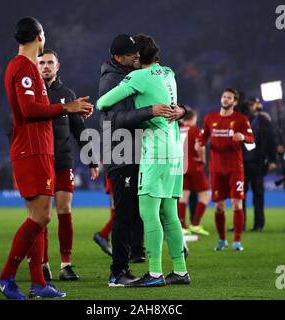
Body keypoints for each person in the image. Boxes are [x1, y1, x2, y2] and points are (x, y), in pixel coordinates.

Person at [0, 16, 93, 299]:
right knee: (41, 217)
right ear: (40, 35)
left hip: (39, 149)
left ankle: (38, 282)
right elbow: (28, 110)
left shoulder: (27, 68)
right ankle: (5, 276)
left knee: (39, 218)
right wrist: (66, 107)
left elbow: (35, 107)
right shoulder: (23, 67)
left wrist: (69, 109)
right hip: (31, 150)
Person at [97, 33, 190, 287]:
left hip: (152, 151)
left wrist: (153, 110)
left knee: (147, 214)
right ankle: (180, 271)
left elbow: (102, 103)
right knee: (168, 213)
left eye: (136, 53)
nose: (134, 56)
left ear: (140, 55)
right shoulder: (169, 72)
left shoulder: (135, 76)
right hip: (172, 151)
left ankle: (155, 273)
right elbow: (114, 118)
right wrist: (179, 110)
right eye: (130, 54)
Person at [37, 49, 99, 281]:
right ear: (36, 66)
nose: (45, 66)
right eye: (41, 62)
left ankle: (66, 264)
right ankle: (43, 264)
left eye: (50, 62)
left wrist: (91, 158)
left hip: (63, 161)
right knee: (42, 216)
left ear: (57, 66)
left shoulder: (66, 93)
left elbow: (78, 129)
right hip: (39, 161)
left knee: (64, 210)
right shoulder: (31, 93)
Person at [197, 88, 254, 251]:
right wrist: (198, 143)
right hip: (216, 169)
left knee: (237, 204)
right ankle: (222, 240)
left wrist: (243, 137)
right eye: (224, 96)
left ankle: (237, 241)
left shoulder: (241, 119)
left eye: (229, 98)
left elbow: (251, 140)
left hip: (235, 168)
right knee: (219, 206)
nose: (226, 99)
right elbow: (202, 138)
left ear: (234, 102)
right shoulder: (210, 118)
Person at [241, 98, 277, 231]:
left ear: (257, 105)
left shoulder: (263, 121)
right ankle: (241, 223)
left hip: (257, 163)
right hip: (242, 163)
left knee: (258, 195)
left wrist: (272, 160)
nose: (250, 106)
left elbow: (271, 140)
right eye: (248, 104)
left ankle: (259, 224)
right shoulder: (242, 119)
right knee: (240, 195)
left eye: (252, 104)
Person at [178, 108, 211, 236]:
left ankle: (181, 226)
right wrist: (202, 159)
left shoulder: (177, 130)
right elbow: (199, 147)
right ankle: (195, 224)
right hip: (194, 166)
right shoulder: (196, 131)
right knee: (205, 195)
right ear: (192, 119)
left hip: (180, 166)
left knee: (183, 196)